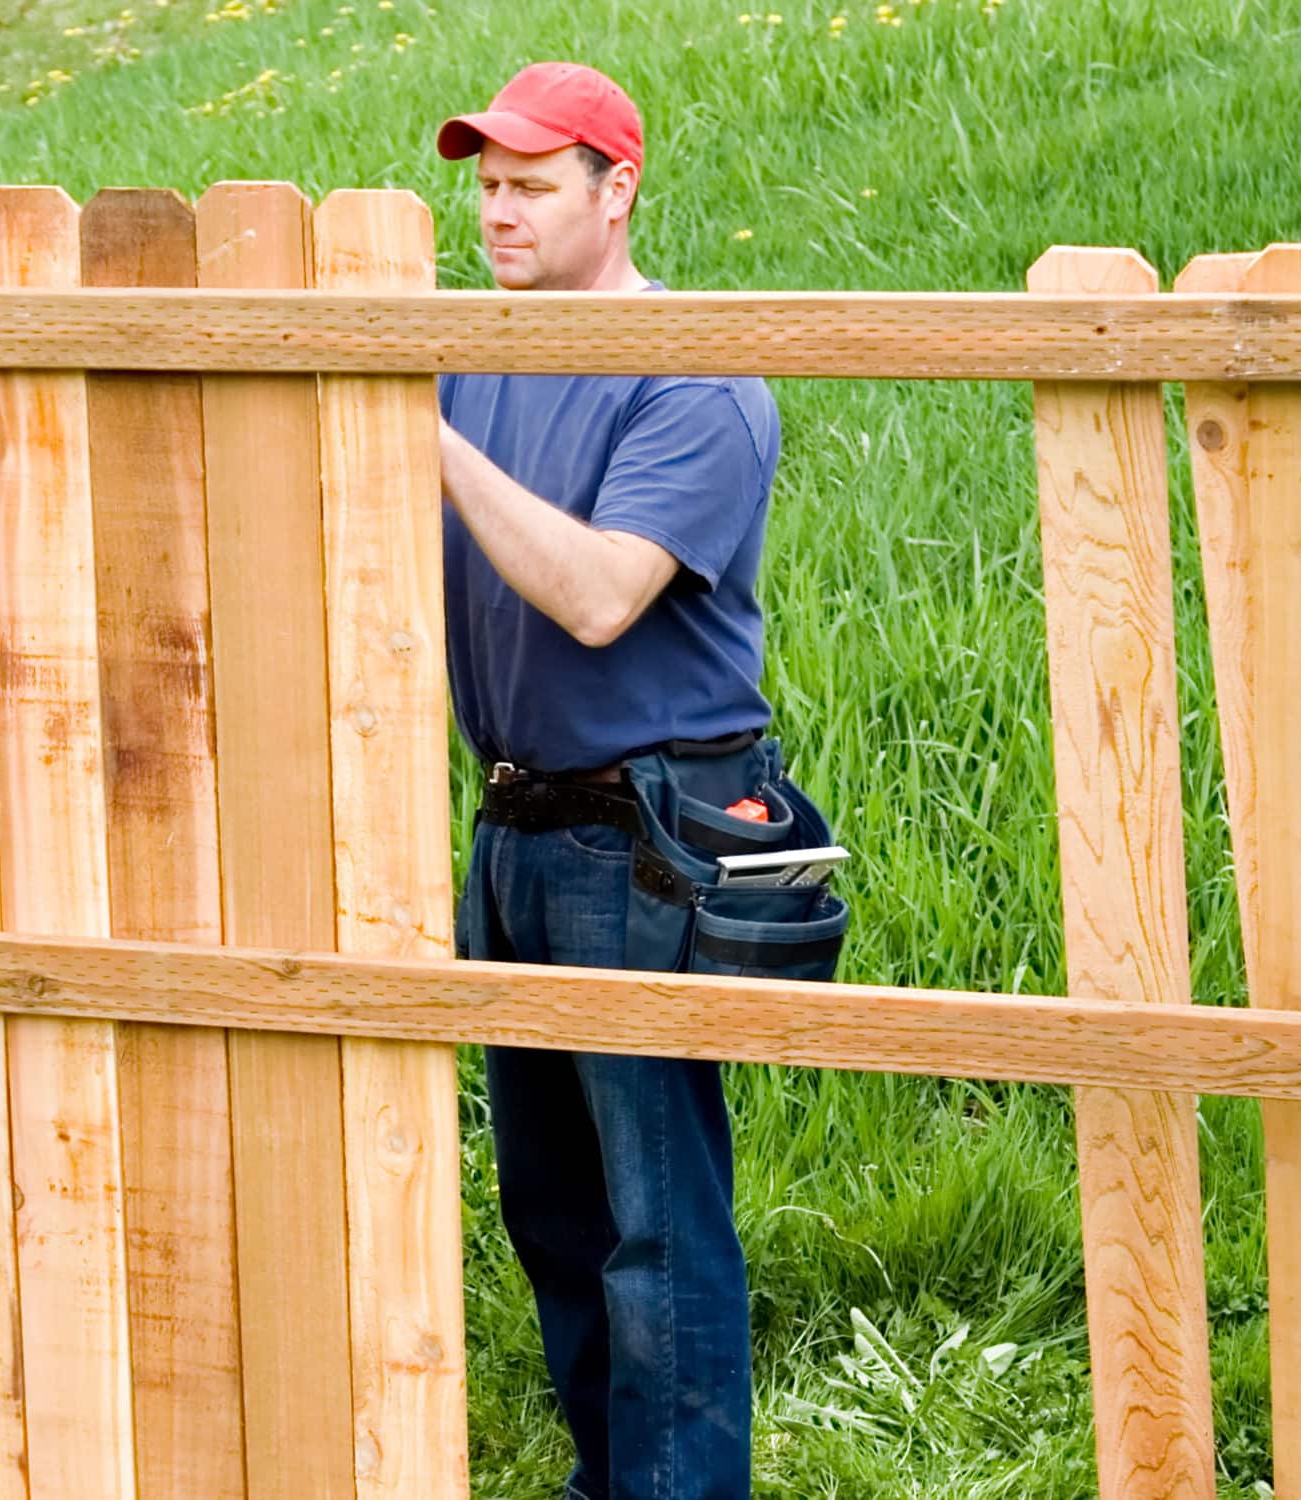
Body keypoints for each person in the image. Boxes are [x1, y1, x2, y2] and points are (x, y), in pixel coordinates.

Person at [435, 61, 844, 1500]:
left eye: (532, 186)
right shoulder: (471, 357)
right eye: (484, 185)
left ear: (619, 191)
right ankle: (613, 1481)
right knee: (548, 1207)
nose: (498, 213)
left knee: (656, 1225)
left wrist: (416, 437)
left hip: (646, 834)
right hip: (516, 826)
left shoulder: (697, 376)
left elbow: (603, 597)